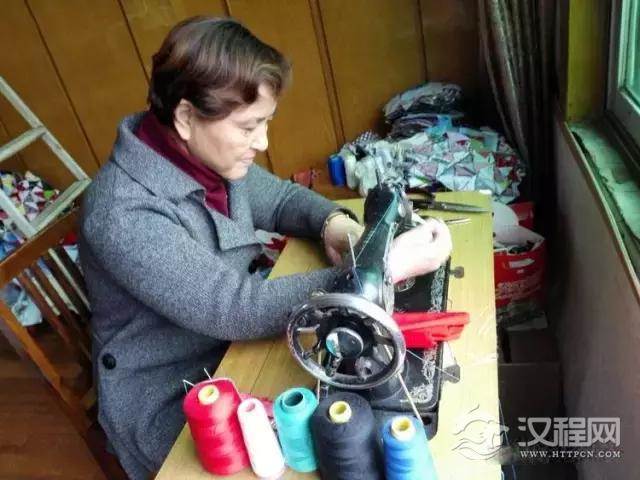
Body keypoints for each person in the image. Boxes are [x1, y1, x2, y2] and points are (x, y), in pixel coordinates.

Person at [79, 16, 452, 479]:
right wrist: (384, 269)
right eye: (249, 127)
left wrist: (336, 226)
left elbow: (281, 199)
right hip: (174, 394)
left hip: (230, 347)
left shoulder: (197, 156)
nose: (263, 141)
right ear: (186, 117)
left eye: (266, 122)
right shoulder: (122, 213)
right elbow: (234, 308)